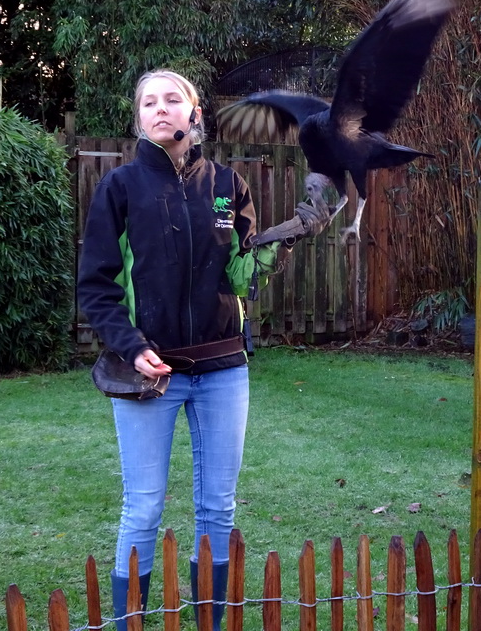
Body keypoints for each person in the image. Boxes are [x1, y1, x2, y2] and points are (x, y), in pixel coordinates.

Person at [77, 70, 320, 631]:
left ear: (194, 113)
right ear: (138, 118)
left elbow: (239, 274)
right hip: (149, 374)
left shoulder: (228, 185)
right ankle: (130, 623)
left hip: (221, 370)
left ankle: (211, 622)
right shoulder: (119, 189)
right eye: (148, 102)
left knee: (218, 507)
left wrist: (287, 238)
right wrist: (131, 347)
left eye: (172, 100)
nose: (160, 109)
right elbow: (96, 286)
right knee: (142, 509)